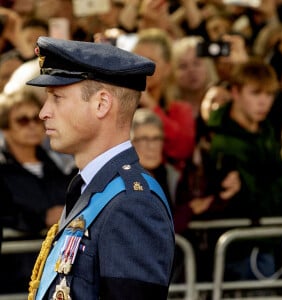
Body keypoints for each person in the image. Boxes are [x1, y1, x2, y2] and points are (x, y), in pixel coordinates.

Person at [26, 36, 174, 300]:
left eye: (57, 97)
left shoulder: (133, 204)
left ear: (102, 104)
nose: (44, 112)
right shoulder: (91, 187)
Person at [206, 59, 282, 291]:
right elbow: (249, 197)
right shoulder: (222, 141)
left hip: (270, 242)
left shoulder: (266, 131)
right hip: (243, 247)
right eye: (255, 93)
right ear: (235, 92)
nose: (264, 101)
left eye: (269, 94)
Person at [0, 89, 76, 294]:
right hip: (16, 278)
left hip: (60, 276)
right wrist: (41, 218)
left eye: (36, 118)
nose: (33, 125)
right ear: (5, 128)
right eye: (23, 121)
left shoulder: (62, 168)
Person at [132, 28, 196, 172]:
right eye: (136, 59)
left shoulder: (180, 109)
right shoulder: (121, 105)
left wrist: (150, 105)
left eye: (150, 61)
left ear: (167, 68)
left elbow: (183, 149)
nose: (141, 67)